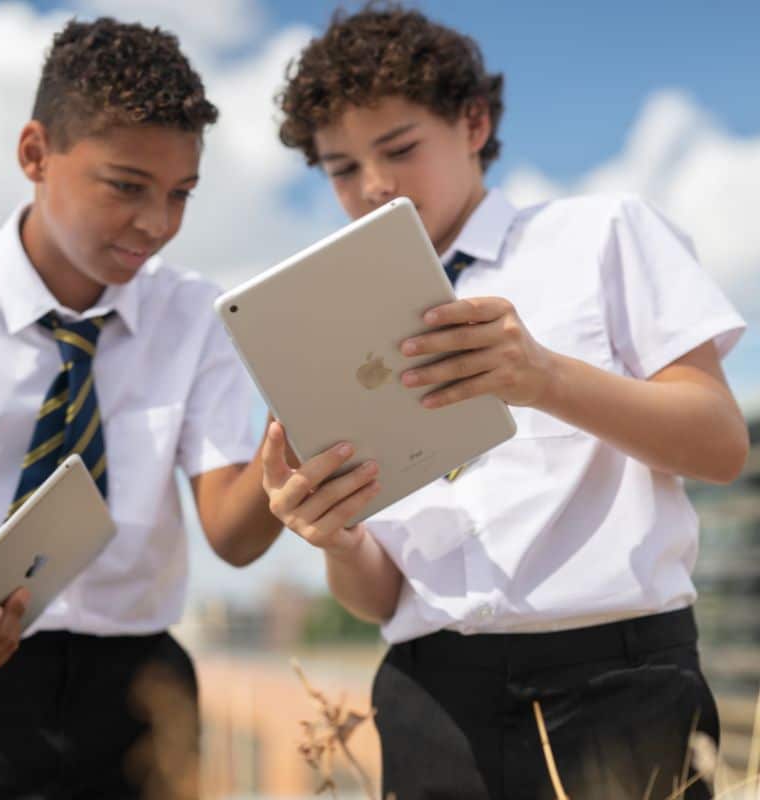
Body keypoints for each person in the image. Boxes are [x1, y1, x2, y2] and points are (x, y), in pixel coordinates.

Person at [262, 4, 750, 798]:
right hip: (428, 699)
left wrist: (544, 379)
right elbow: (378, 594)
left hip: (619, 681)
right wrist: (334, 535)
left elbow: (722, 444)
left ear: (473, 121)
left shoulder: (601, 234)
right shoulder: (332, 324)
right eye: (342, 168)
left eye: (399, 148)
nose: (374, 184)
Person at [0, 17, 281, 800]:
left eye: (181, 195)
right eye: (126, 187)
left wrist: (300, 439)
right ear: (35, 153)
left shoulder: (200, 317)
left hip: (142, 689)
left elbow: (233, 538)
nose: (158, 225)